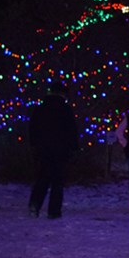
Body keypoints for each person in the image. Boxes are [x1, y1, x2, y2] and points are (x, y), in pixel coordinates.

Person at [28, 83, 79, 219]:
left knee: (42, 178)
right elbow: (71, 130)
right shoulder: (65, 110)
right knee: (57, 181)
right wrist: (74, 147)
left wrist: (34, 144)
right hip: (60, 150)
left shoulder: (40, 108)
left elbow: (33, 128)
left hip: (43, 148)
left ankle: (35, 204)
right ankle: (54, 211)